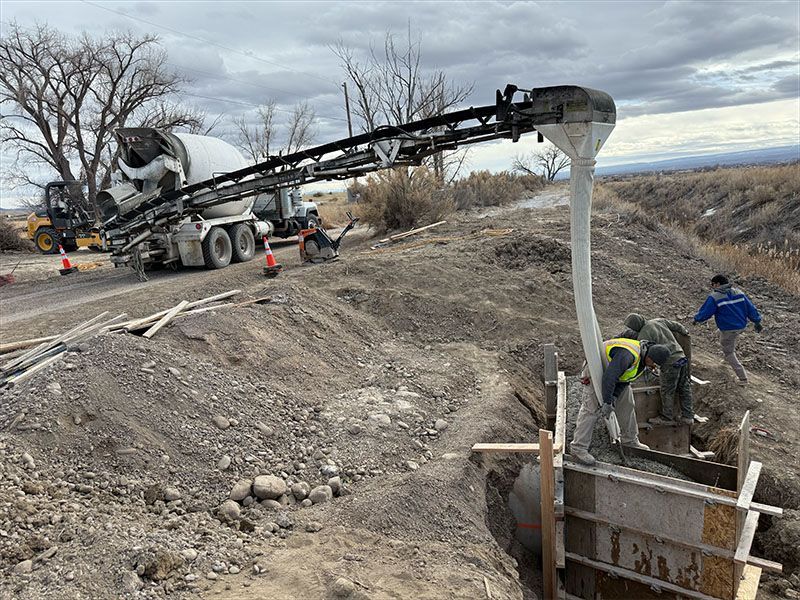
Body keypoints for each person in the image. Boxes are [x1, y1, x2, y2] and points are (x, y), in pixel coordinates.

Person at [570, 338, 670, 465]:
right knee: (591, 409)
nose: (653, 367)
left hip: (613, 374)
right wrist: (607, 402)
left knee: (627, 404)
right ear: (650, 357)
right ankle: (578, 448)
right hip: (596, 370)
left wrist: (615, 396)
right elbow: (609, 378)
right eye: (654, 364)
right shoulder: (628, 355)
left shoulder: (642, 361)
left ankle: (629, 440)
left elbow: (625, 380)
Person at [623, 313, 693, 426]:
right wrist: (685, 331)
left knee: (667, 390)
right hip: (681, 356)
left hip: (670, 363)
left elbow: (644, 356)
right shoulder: (658, 321)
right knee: (684, 386)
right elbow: (676, 326)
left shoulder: (643, 335)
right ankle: (688, 416)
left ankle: (666, 417)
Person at [693, 275, 762, 385]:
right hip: (740, 326)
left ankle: (743, 378)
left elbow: (706, 312)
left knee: (728, 350)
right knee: (726, 339)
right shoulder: (739, 293)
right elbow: (750, 308)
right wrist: (757, 321)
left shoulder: (715, 297)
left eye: (713, 284)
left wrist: (697, 319)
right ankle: (726, 359)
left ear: (718, 284)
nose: (712, 287)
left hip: (729, 328)